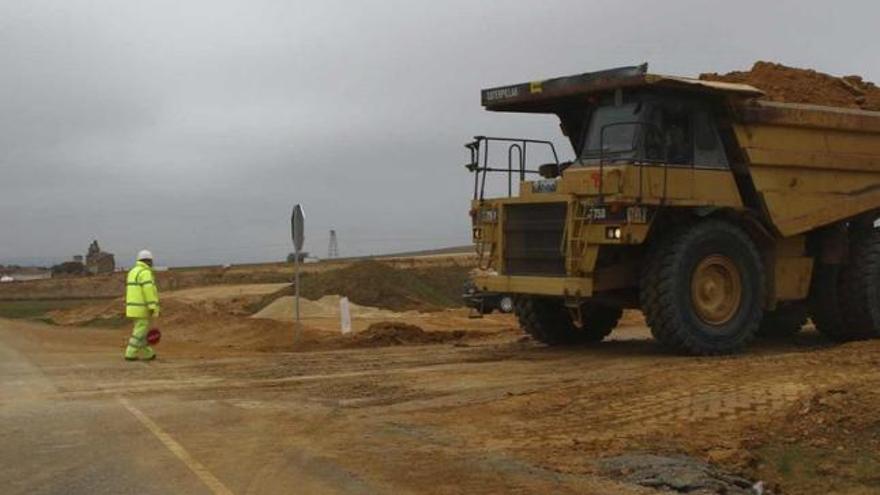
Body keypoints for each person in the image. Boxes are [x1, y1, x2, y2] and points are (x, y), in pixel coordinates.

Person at [124, 250, 160, 361]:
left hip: (133, 308)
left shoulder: (133, 272)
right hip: (142, 308)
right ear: (148, 261)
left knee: (142, 332)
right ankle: (130, 353)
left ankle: (148, 353)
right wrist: (152, 306)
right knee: (139, 332)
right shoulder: (145, 273)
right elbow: (148, 290)